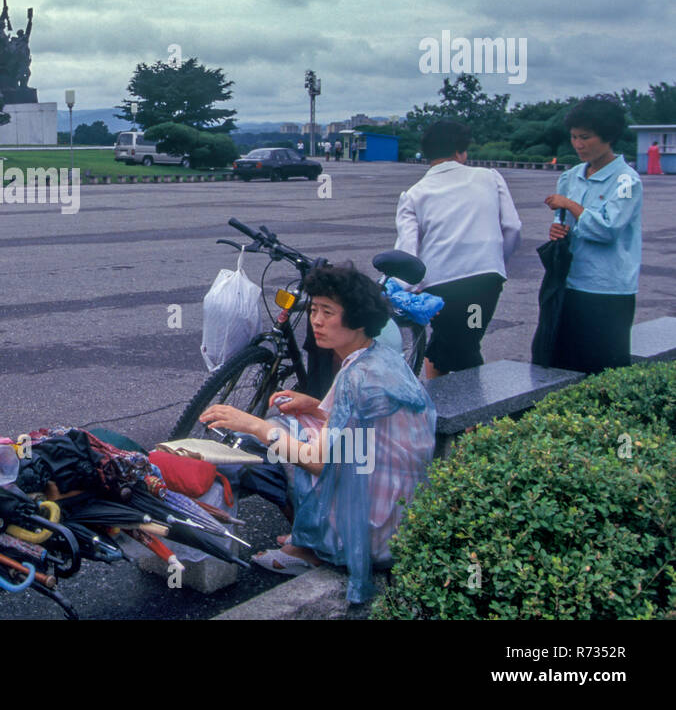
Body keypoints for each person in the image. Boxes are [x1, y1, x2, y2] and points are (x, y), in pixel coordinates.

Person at [201, 264, 436, 604]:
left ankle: (313, 546)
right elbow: (360, 426)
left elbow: (319, 462)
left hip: (368, 530)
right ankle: (307, 537)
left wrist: (252, 424)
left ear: (357, 318)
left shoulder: (358, 376)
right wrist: (313, 405)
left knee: (263, 448)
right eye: (314, 309)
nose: (317, 321)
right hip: (399, 513)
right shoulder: (381, 358)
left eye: (329, 312)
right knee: (290, 425)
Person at [393, 120, 522, 378]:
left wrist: (402, 290)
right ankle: (452, 410)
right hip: (486, 281)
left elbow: (407, 252)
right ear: (460, 152)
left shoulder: (414, 194)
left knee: (462, 348)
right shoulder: (490, 177)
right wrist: (496, 261)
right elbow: (513, 227)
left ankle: (467, 413)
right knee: (460, 344)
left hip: (441, 286)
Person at [544, 97, 642, 374]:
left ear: (608, 136)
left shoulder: (626, 180)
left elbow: (608, 229)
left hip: (607, 289)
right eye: (574, 137)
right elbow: (561, 219)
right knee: (563, 366)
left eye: (586, 137)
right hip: (570, 283)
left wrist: (571, 205)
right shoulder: (570, 176)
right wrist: (557, 229)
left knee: (604, 369)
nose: (578, 144)